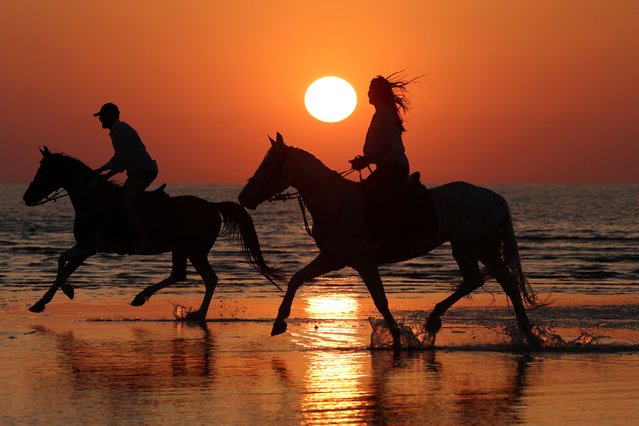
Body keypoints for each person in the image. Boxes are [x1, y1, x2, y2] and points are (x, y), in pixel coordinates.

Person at [93, 102, 158, 250]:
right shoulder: (118, 130)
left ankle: (143, 240)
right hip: (138, 171)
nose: (100, 120)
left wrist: (106, 175)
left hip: (144, 171)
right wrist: (100, 170)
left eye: (102, 117)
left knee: (126, 202)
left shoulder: (119, 131)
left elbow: (121, 161)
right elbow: (117, 159)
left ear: (111, 116)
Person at [350, 74, 413, 208]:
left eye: (371, 89)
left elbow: (383, 146)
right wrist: (366, 159)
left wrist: (366, 160)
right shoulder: (382, 113)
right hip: (389, 168)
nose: (368, 93)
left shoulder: (384, 113)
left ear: (377, 93)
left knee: (369, 198)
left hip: (393, 169)